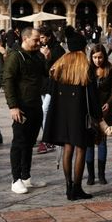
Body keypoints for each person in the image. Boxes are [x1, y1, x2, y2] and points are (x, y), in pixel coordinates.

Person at [43, 27, 101, 200]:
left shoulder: (59, 64)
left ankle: (68, 186)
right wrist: (98, 116)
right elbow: (92, 95)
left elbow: (50, 90)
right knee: (81, 149)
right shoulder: (85, 66)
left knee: (67, 147)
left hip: (62, 114)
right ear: (82, 48)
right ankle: (77, 188)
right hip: (80, 114)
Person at [3, 27, 48, 194]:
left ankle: (26, 177)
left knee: (30, 143)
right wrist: (13, 106)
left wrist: (46, 58)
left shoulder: (37, 56)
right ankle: (16, 179)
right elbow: (7, 81)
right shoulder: (16, 56)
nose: (39, 42)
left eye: (40, 40)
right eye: (36, 40)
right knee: (19, 143)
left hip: (36, 105)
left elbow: (45, 74)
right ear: (26, 39)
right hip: (21, 107)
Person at [86, 44, 112, 186]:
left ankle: (101, 174)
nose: (97, 60)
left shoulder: (110, 71)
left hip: (105, 112)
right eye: (94, 57)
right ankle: (90, 175)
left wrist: (109, 103)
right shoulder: (87, 71)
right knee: (88, 144)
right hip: (89, 112)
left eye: (100, 57)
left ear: (105, 57)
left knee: (102, 143)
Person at [37, 25, 65, 155]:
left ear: (48, 37)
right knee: (44, 111)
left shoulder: (57, 49)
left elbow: (56, 69)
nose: (40, 39)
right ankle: (48, 138)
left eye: (42, 37)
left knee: (45, 109)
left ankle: (48, 139)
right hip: (43, 85)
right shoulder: (40, 48)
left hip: (53, 85)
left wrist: (48, 58)